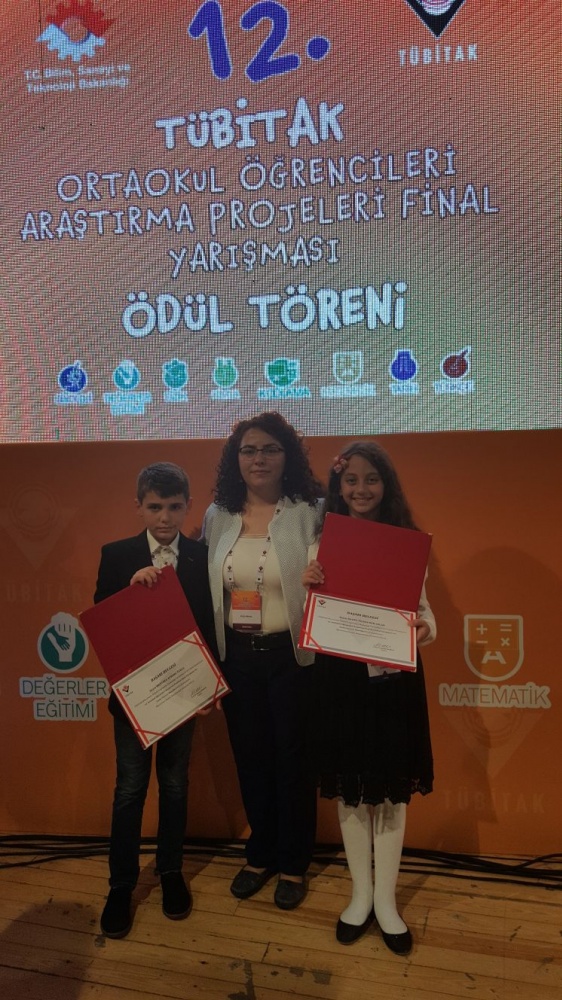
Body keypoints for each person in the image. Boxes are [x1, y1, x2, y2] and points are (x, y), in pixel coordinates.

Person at [302, 441, 435, 955]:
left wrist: (423, 629)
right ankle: (359, 895)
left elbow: (426, 613)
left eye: (371, 479)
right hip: (341, 681)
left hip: (393, 681)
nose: (361, 489)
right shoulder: (321, 544)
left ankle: (386, 901)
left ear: (387, 485)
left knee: (392, 793)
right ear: (339, 486)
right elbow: (313, 623)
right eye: (351, 480)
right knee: (352, 792)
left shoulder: (407, 544)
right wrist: (309, 588)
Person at [202, 412, 323, 910]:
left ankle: (293, 863)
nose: (259, 459)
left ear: (287, 456)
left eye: (270, 449)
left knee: (294, 763)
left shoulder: (310, 511)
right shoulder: (217, 516)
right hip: (237, 658)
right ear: (236, 458)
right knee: (251, 759)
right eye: (249, 450)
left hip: (291, 658)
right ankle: (261, 854)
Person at [94, 461, 216, 939]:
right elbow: (101, 621)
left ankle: (170, 871)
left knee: (175, 785)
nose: (164, 518)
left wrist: (209, 685)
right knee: (129, 790)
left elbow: (209, 625)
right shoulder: (117, 554)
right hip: (135, 696)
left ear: (188, 507)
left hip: (183, 691)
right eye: (155, 507)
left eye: (174, 507)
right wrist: (129, 590)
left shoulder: (202, 556)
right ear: (139, 507)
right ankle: (121, 885)